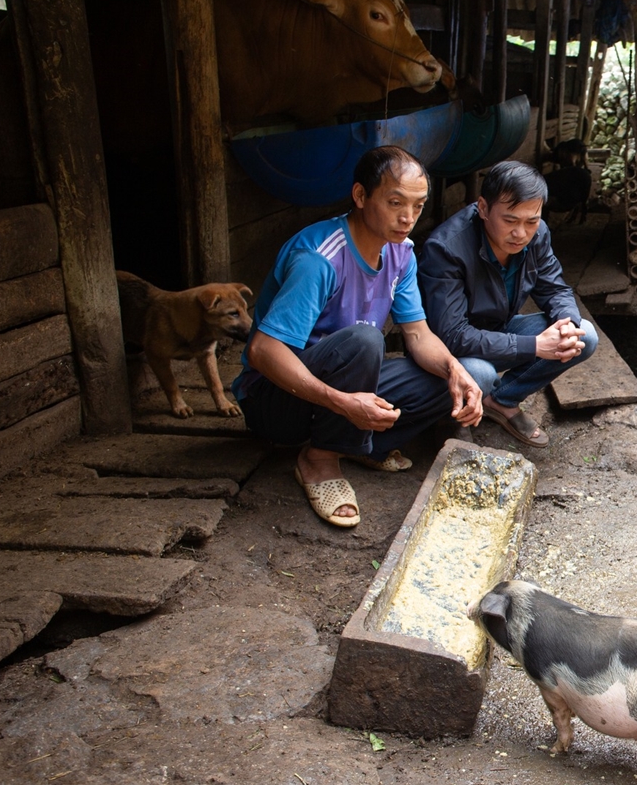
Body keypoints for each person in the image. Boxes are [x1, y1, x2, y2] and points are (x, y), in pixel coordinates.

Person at [234, 146, 482, 528]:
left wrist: (453, 369)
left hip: (348, 382)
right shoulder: (319, 258)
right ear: (361, 196)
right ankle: (319, 460)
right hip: (276, 401)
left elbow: (417, 334)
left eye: (418, 206)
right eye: (395, 202)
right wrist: (342, 402)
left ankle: (356, 443)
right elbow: (263, 351)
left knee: (472, 377)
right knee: (365, 342)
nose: (408, 218)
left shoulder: (401, 254)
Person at [419, 160, 598, 449]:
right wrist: (535, 346)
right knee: (479, 374)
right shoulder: (446, 249)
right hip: (449, 352)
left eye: (531, 221)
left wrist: (568, 324)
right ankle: (449, 417)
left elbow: (554, 287)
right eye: (510, 221)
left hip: (499, 331)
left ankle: (500, 400)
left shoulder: (536, 234)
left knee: (584, 336)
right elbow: (452, 335)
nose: (521, 233)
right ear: (483, 208)